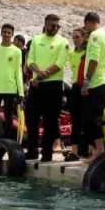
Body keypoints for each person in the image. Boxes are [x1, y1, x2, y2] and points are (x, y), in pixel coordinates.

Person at [25, 14, 69, 161]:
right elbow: (30, 61)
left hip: (53, 85)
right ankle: (31, 150)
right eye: (52, 25)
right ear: (45, 24)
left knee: (50, 120)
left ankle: (47, 153)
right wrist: (37, 73)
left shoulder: (63, 42)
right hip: (36, 85)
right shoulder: (36, 40)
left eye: (57, 26)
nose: (54, 28)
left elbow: (60, 64)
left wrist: (40, 77)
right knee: (31, 118)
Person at [0, 24, 26, 142]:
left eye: (9, 33)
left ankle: (8, 139)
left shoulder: (17, 51)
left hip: (10, 88)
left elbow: (18, 71)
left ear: (12, 35)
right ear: (1, 33)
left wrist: (20, 91)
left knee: (8, 116)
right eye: (4, 32)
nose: (6, 34)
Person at [80, 13, 105, 162]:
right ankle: (98, 150)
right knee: (95, 117)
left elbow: (93, 59)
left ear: (89, 23)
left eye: (86, 25)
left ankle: (99, 151)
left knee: (93, 119)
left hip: (96, 81)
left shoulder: (95, 35)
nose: (85, 29)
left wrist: (87, 80)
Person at [64, 28, 88, 160]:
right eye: (73, 37)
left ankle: (86, 149)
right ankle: (74, 151)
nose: (75, 40)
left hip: (86, 85)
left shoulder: (88, 53)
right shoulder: (72, 54)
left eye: (77, 37)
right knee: (75, 119)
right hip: (75, 86)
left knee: (86, 119)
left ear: (84, 38)